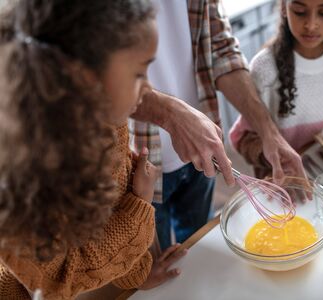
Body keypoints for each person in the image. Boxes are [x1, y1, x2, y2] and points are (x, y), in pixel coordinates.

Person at [0, 1, 198, 298]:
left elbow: (111, 219)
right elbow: (62, 276)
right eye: (138, 74)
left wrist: (139, 273)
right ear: (84, 75)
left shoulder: (105, 123)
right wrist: (140, 200)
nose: (147, 90)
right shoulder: (18, 181)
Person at [129, 0, 309, 250]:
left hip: (205, 155)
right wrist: (172, 114)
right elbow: (93, 77)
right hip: (138, 166)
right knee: (152, 267)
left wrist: (269, 133)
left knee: (197, 247)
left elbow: (222, 50)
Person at [229, 0, 323, 178]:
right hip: (282, 182)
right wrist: (275, 159)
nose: (311, 25)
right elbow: (244, 139)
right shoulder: (265, 68)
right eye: (299, 12)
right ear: (283, 8)